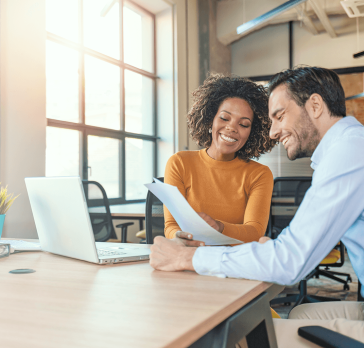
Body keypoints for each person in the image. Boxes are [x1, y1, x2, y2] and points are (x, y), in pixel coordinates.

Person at [150, 66, 364, 347]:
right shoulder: (348, 146)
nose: (273, 131)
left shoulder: (349, 152)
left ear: (314, 105)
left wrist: (186, 259)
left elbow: (290, 261)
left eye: (279, 116)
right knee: (297, 313)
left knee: (245, 335)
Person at [164, 73, 276, 244]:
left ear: (251, 133)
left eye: (244, 124)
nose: (231, 127)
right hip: (189, 255)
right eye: (224, 118)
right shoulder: (179, 163)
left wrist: (219, 227)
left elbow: (254, 232)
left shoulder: (260, 174)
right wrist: (180, 237)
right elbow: (171, 225)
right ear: (210, 120)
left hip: (235, 261)